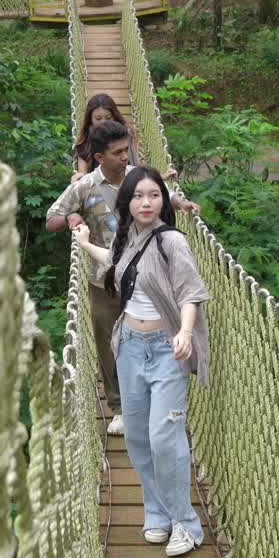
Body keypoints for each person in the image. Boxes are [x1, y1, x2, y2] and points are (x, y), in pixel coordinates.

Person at [71, 166, 210, 558]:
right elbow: (117, 263)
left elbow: (191, 293)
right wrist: (84, 244)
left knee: (165, 436)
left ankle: (186, 523)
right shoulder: (128, 236)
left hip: (167, 347)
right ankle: (158, 512)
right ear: (127, 203)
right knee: (136, 435)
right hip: (129, 346)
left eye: (153, 195)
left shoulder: (172, 242)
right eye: (137, 196)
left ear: (163, 201)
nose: (145, 203)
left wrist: (184, 332)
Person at [46, 120, 199, 436]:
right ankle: (119, 408)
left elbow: (162, 196)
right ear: (100, 156)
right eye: (117, 153)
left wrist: (182, 203)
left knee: (153, 337)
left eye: (126, 149)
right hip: (103, 279)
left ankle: (154, 401)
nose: (125, 157)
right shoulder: (85, 187)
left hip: (146, 276)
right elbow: (51, 219)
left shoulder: (137, 178)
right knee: (108, 343)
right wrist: (73, 217)